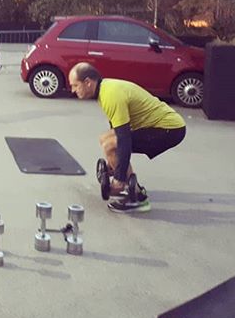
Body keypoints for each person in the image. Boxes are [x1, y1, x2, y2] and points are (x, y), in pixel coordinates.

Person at [68, 62, 186, 213]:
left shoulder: (110, 95)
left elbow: (123, 139)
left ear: (88, 82)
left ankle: (137, 198)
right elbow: (116, 130)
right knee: (106, 139)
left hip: (170, 129)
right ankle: (131, 187)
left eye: (75, 85)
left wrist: (119, 177)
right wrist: (115, 166)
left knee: (111, 144)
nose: (73, 90)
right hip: (160, 126)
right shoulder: (105, 89)